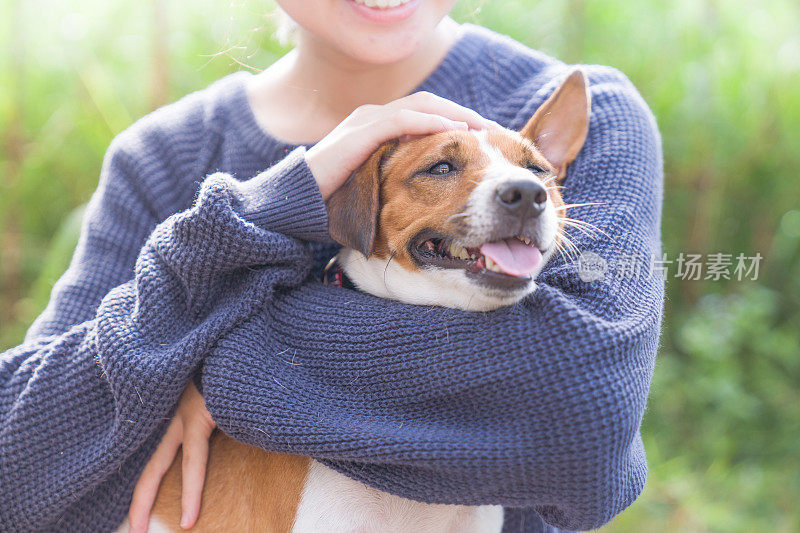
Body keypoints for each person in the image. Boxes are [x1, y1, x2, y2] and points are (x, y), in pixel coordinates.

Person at [0, 1, 664, 531]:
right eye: (439, 167)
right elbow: (18, 456)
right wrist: (269, 206)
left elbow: (584, 410)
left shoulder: (594, 108)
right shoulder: (163, 158)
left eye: (537, 175)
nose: (524, 188)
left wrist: (206, 367)